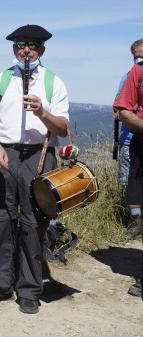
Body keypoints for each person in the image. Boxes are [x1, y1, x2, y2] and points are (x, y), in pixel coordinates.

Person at [0, 24, 70, 314]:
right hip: (3, 153)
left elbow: (63, 128)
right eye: (19, 44)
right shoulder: (0, 81)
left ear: (41, 49)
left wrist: (42, 112)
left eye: (30, 45)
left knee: (33, 223)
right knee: (1, 220)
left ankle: (29, 290)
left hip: (39, 155)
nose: (24, 49)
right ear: (13, 48)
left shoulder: (54, 82)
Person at [114, 38, 143, 301]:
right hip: (138, 142)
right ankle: (135, 220)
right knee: (135, 191)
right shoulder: (136, 74)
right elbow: (122, 110)